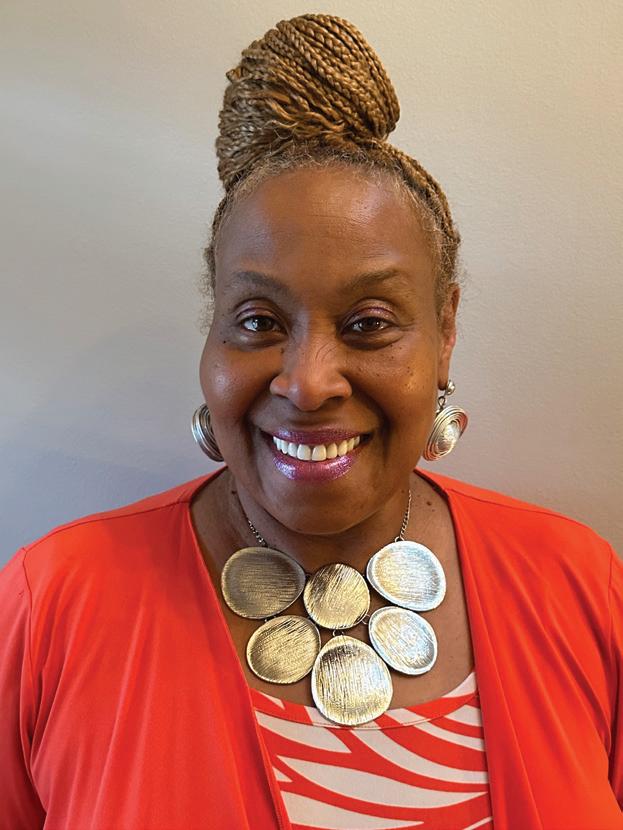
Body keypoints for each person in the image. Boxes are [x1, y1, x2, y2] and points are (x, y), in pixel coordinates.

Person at [1, 13, 621, 830]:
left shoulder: (578, 585)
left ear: (444, 333)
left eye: (368, 323)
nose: (307, 382)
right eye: (258, 321)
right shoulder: (52, 603)